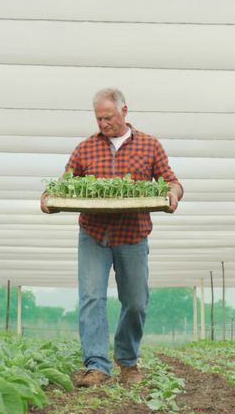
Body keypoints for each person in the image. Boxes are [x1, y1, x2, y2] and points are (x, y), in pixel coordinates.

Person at [41, 88, 183, 387]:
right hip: (93, 233)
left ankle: (128, 361)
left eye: (108, 117)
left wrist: (172, 193)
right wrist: (48, 197)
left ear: (125, 111)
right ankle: (97, 366)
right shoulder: (85, 149)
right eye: (99, 118)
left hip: (133, 235)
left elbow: (171, 181)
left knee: (136, 301)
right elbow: (65, 183)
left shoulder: (149, 145)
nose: (104, 124)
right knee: (91, 297)